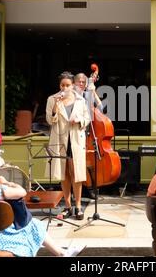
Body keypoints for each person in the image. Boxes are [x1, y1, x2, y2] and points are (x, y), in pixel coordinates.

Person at [0, 148, 84, 257]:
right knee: (33, 225)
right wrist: (7, 183)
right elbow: (22, 192)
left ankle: (62, 253)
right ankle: (61, 254)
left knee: (32, 224)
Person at [46, 71, 90, 220]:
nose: (65, 88)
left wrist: (79, 121)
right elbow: (50, 120)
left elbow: (87, 119)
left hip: (76, 140)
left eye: (68, 85)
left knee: (76, 173)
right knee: (63, 174)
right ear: (59, 85)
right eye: (62, 85)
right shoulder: (52, 99)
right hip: (60, 140)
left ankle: (78, 206)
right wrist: (55, 108)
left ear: (72, 86)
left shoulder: (80, 100)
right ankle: (67, 206)